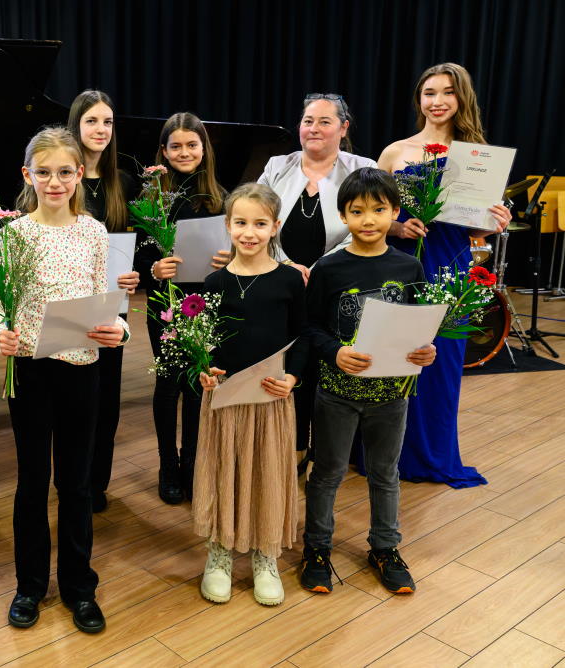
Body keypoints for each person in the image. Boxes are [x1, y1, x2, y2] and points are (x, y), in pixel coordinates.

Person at [0, 126, 130, 634]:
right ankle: (29, 585)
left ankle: (79, 586)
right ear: (28, 175)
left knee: (75, 482)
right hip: (29, 369)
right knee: (32, 482)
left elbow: (108, 299)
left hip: (81, 368)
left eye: (65, 172)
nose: (55, 182)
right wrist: (1, 331)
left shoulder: (94, 232)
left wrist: (118, 328)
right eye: (44, 172)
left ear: (79, 176)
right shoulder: (14, 234)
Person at [300, 168, 436, 596]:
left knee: (384, 472)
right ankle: (316, 549)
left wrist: (426, 350)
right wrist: (335, 351)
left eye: (379, 210)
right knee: (327, 472)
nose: (369, 219)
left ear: (394, 212)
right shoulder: (329, 268)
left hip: (392, 393)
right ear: (343, 215)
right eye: (357, 211)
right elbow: (310, 327)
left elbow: (418, 328)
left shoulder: (409, 265)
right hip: (337, 392)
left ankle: (385, 548)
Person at [377, 63, 511, 488]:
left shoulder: (478, 155)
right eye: (429, 92)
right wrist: (397, 227)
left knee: (441, 365)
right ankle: (380, 455)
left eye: (447, 93)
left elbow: (472, 228)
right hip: (398, 264)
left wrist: (493, 225)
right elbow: (373, 215)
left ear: (461, 99)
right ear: (419, 100)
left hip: (449, 266)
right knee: (392, 360)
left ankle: (432, 455)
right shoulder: (395, 152)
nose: (437, 101)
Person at [193, 183, 307, 607]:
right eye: (240, 222)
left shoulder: (289, 280)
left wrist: (293, 377)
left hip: (271, 398)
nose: (249, 232)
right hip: (224, 400)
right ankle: (219, 553)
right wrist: (203, 369)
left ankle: (265, 554)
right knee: (224, 470)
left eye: (260, 224)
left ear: (275, 226)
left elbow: (304, 335)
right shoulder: (214, 282)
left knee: (268, 471)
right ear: (228, 225)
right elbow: (201, 342)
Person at [257, 95, 377, 464]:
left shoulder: (362, 168)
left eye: (325, 121)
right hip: (280, 281)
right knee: (287, 367)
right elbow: (257, 215)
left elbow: (365, 224)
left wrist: (320, 266)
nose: (314, 128)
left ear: (343, 127)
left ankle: (326, 456)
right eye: (308, 120)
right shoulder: (278, 165)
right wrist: (287, 263)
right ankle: (286, 450)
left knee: (323, 366)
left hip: (336, 286)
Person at [138, 112, 228, 503]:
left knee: (197, 384)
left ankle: (193, 462)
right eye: (175, 146)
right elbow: (137, 258)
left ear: (204, 149)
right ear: (163, 151)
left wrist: (231, 258)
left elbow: (242, 248)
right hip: (165, 302)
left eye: (192, 144)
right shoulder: (149, 200)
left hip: (206, 301)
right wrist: (153, 268)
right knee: (168, 383)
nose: (184, 152)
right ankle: (167, 463)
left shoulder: (222, 197)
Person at [67, 89, 140, 512]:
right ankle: (73, 481)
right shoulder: (62, 179)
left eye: (108, 122)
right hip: (69, 304)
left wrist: (136, 274)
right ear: (77, 125)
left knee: (107, 400)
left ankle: (97, 484)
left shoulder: (123, 183)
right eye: (92, 121)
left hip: (112, 306)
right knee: (75, 398)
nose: (100, 129)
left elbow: (138, 247)